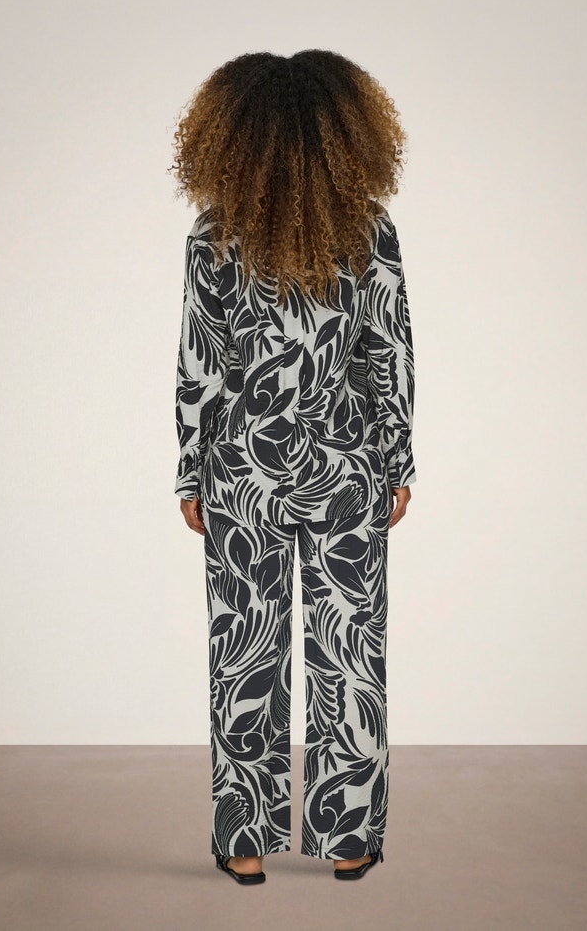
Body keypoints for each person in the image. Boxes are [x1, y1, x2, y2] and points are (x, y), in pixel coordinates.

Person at [170, 49, 416, 884]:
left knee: (245, 653)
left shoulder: (215, 235)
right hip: (347, 467)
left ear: (232, 135)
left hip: (243, 471)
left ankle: (244, 842)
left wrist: (191, 471)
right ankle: (350, 840)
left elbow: (201, 364)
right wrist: (398, 460)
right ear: (346, 135)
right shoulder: (369, 230)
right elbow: (387, 354)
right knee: (351, 652)